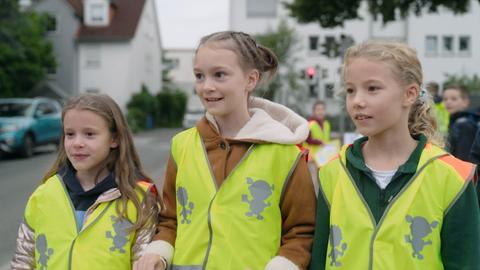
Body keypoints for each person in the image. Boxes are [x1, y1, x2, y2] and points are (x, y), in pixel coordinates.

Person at [134, 31, 316, 270]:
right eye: (199, 76)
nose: (206, 86)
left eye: (219, 75)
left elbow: (301, 231)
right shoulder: (182, 145)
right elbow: (169, 219)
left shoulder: (286, 154)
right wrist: (157, 252)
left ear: (251, 79)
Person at [309, 41, 480, 269]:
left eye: (372, 88)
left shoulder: (454, 177)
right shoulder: (332, 172)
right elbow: (319, 259)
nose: (357, 101)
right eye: (350, 90)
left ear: (409, 94)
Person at [11, 94, 160, 269]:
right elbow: (24, 259)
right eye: (70, 134)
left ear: (114, 139)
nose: (77, 143)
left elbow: (143, 263)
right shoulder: (43, 194)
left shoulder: (138, 198)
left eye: (89, 134)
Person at [443, 84, 480, 162]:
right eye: (445, 99)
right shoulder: (457, 120)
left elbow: (464, 159)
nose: (448, 102)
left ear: (465, 102)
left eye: (454, 99)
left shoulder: (464, 124)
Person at [303, 100, 331, 166]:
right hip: (311, 159)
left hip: (323, 158)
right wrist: (319, 142)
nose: (320, 112)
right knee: (313, 176)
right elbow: (307, 140)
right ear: (314, 111)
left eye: (322, 109)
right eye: (318, 109)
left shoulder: (326, 124)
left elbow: (326, 140)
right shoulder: (309, 123)